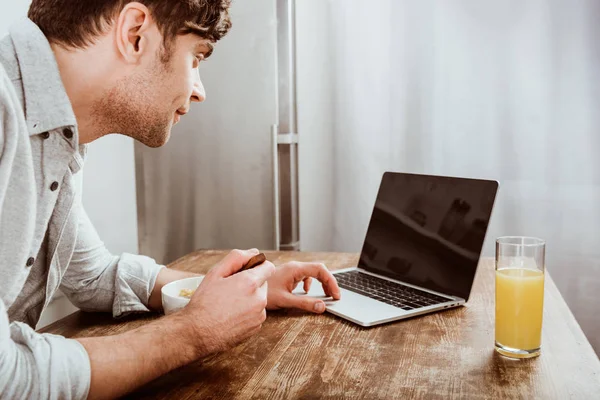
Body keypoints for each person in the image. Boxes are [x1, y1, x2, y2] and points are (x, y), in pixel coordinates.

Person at [0, 1, 341, 398]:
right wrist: (193, 332)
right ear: (135, 34)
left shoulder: (55, 133)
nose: (199, 91)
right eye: (195, 57)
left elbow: (94, 275)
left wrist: (234, 288)